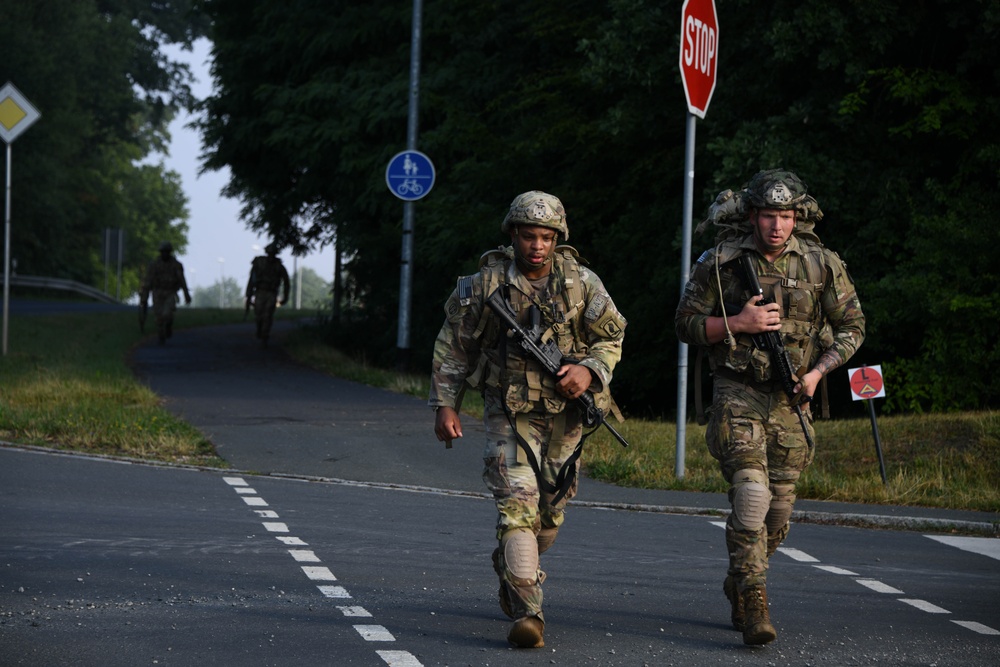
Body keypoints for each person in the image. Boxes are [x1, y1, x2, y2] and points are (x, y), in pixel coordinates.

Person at [675, 169, 865, 645]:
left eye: (784, 216)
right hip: (738, 390)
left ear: (796, 217)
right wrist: (737, 321)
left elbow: (853, 327)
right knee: (752, 495)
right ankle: (756, 598)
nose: (776, 226)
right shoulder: (721, 261)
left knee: (777, 514)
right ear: (753, 216)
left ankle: (740, 575)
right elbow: (685, 322)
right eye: (767, 215)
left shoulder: (820, 263)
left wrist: (818, 372)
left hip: (792, 398)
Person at [429, 191, 627, 649]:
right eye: (527, 236)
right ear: (512, 235)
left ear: (558, 238)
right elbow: (454, 347)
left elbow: (611, 339)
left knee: (549, 515)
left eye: (545, 237)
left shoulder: (583, 283)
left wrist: (589, 371)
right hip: (509, 413)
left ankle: (512, 568)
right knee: (516, 507)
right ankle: (529, 613)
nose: (537, 246)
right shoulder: (484, 285)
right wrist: (445, 404)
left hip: (568, 416)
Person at [139, 241, 192, 344]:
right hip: (157, 293)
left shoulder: (176, 265)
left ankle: (168, 326)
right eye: (163, 252)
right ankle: (161, 335)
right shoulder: (154, 265)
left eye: (166, 252)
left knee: (167, 314)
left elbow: (181, 280)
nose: (164, 254)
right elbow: (148, 280)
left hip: (170, 293)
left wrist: (186, 293)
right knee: (159, 315)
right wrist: (144, 295)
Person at [245, 243, 290, 347]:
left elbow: (286, 282)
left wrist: (285, 297)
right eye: (270, 253)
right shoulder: (259, 264)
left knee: (268, 315)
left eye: (273, 253)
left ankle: (265, 335)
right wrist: (249, 294)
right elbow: (252, 280)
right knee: (258, 314)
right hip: (260, 292)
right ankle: (260, 331)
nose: (271, 255)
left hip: (271, 293)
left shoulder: (279, 266)